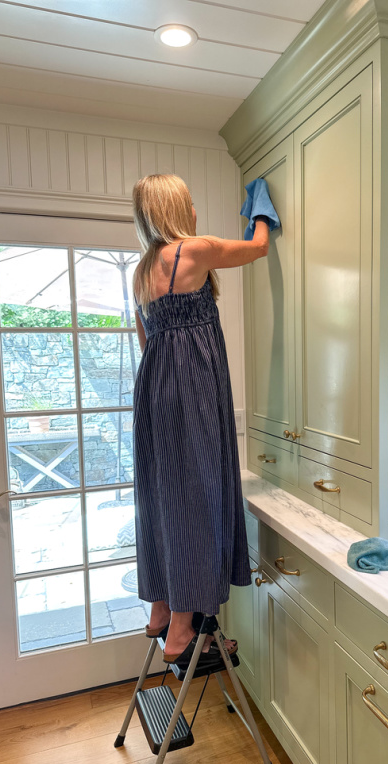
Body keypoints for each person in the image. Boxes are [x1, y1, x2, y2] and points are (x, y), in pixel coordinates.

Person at [131, 173, 272, 669]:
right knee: (196, 499)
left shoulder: (143, 269)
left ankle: (161, 607)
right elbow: (257, 248)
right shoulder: (191, 250)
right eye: (189, 200)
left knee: (162, 494)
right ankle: (182, 631)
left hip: (154, 394)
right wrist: (261, 208)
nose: (193, 208)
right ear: (176, 208)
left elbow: (148, 345)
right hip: (191, 392)